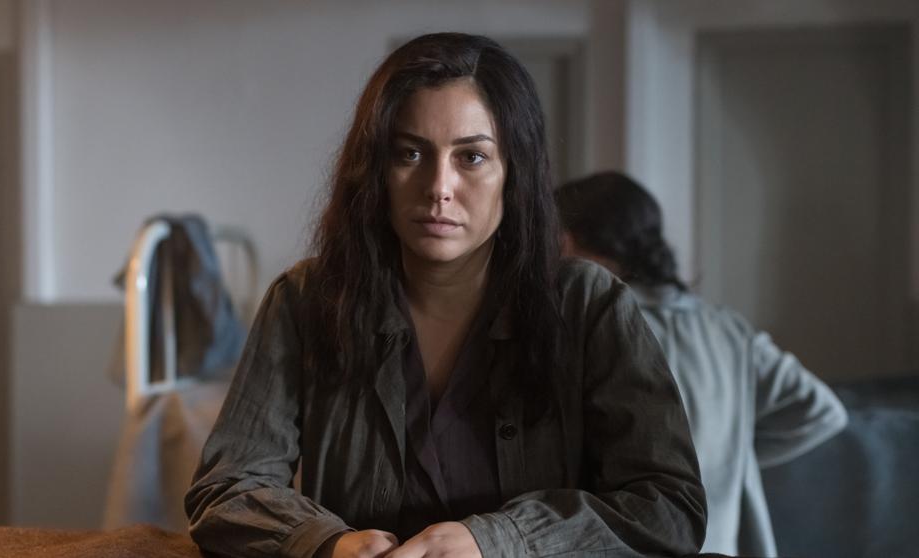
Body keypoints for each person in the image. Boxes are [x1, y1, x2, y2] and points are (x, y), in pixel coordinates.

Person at [185, 34, 707, 558]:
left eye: (472, 157)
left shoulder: (589, 305)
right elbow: (226, 490)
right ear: (376, 169)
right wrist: (329, 544)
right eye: (410, 153)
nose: (438, 187)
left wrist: (497, 541)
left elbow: (668, 506)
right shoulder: (306, 301)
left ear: (514, 173)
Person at [555, 171, 848, 557]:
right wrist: (729, 457)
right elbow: (822, 410)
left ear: (573, 240)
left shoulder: (593, 327)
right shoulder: (728, 330)